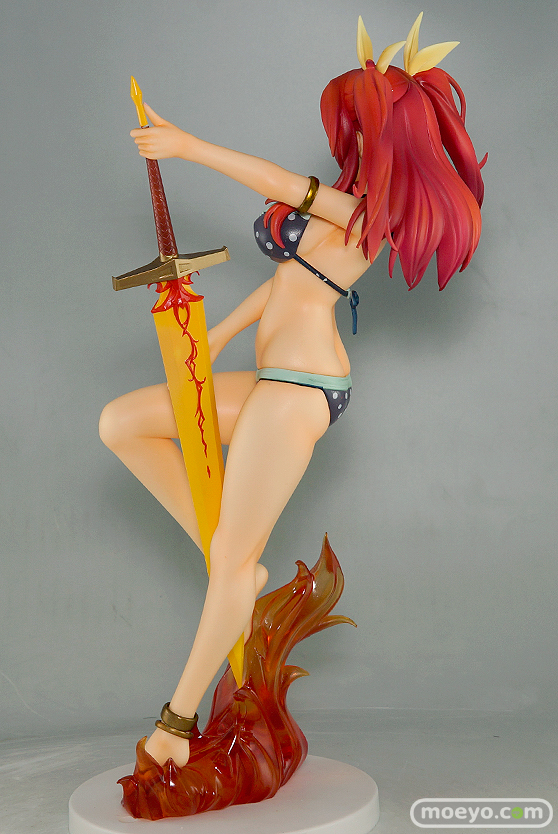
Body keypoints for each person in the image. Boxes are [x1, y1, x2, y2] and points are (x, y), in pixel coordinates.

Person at [99, 14, 484, 768]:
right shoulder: (348, 200)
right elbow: (290, 281)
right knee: (123, 423)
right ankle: (233, 563)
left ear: (392, 132)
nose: (350, 134)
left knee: (232, 566)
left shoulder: (367, 215)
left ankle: (175, 726)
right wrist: (218, 337)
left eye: (361, 120)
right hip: (271, 376)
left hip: (300, 388)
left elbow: (278, 182)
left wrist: (187, 147)